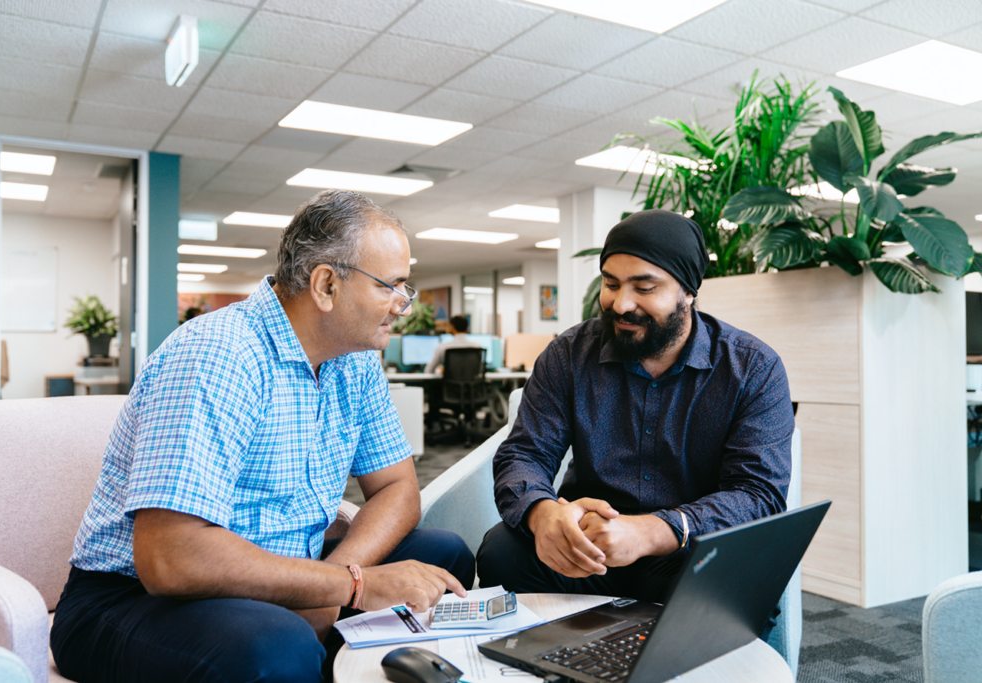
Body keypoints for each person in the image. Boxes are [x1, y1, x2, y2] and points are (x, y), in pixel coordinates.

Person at [51, 190, 475, 683]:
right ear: (326, 285)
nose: (402, 306)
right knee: (277, 647)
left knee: (444, 557)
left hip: (284, 572)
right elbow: (171, 557)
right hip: (133, 599)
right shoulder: (219, 355)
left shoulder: (355, 360)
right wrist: (348, 586)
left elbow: (399, 489)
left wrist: (336, 583)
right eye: (391, 287)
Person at [477, 209, 793, 609]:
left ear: (688, 291)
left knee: (742, 577)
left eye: (644, 288)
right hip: (587, 550)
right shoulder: (569, 355)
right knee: (502, 551)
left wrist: (651, 532)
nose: (621, 304)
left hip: (684, 552)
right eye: (611, 284)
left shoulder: (752, 368)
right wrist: (544, 515)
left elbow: (757, 493)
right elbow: (525, 454)